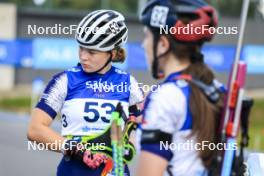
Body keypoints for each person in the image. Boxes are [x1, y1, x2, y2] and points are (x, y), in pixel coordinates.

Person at [27, 9, 143, 176]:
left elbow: (137, 127)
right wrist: (71, 147)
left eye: (92, 52)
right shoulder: (64, 81)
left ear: (112, 52)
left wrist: (130, 146)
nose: (83, 57)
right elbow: (35, 129)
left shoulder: (128, 83)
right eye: (81, 48)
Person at [137, 0, 226, 175]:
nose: (143, 44)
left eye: (147, 36)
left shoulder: (165, 97)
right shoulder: (216, 88)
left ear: (162, 44)